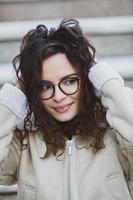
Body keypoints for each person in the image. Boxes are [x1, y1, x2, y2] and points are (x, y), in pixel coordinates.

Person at [0, 18, 133, 200]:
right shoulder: (24, 143)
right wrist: (17, 91)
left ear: (86, 80)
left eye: (69, 81)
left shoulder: (116, 134)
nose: (58, 96)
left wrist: (103, 77)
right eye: (45, 86)